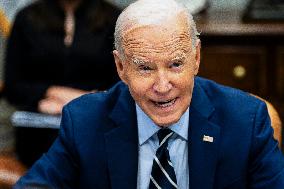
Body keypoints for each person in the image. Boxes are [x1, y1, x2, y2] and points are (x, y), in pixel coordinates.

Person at [14, 0, 284, 188]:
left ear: (197, 57)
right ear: (121, 67)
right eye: (144, 68)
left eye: (176, 64)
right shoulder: (85, 121)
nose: (163, 85)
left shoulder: (247, 121)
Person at [4, 0, 120, 166]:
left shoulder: (115, 19)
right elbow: (13, 86)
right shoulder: (27, 17)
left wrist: (79, 102)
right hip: (40, 127)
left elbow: (122, 85)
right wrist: (50, 93)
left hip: (95, 123)